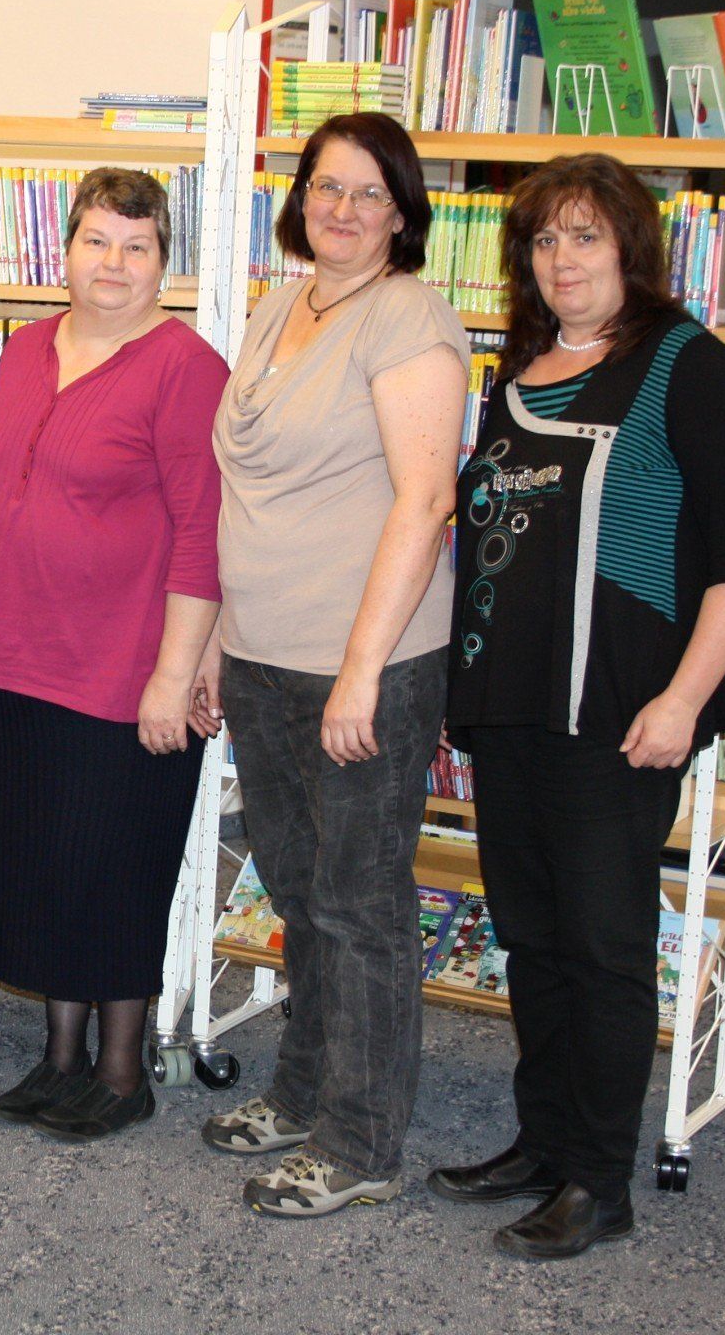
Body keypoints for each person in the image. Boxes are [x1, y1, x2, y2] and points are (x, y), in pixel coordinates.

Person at [428, 154, 725, 1260]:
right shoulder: (519, 368)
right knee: (533, 941)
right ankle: (543, 1144)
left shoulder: (684, 366)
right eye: (545, 240)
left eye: (585, 237)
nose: (562, 260)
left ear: (630, 248)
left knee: (602, 951)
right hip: (511, 712)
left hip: (619, 718)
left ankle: (599, 1183)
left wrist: (683, 700)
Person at [195, 112, 468, 1216]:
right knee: (300, 894)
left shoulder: (407, 320)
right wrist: (218, 637)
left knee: (359, 906)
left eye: (368, 194)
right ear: (299, 198)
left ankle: (360, 1145)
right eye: (326, 188)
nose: (343, 210)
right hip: (263, 656)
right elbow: (243, 493)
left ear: (401, 213)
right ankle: (305, 1090)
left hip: (365, 665)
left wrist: (361, 672)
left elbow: (426, 497)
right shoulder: (282, 304)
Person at [0, 169, 227, 1142]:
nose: (111, 263)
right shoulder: (27, 348)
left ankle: (120, 1072)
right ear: (64, 250)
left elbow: (205, 531)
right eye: (96, 241)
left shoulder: (186, 367)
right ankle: (59, 1057)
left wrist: (175, 668)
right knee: (40, 862)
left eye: (136, 245)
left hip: (128, 668)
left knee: (117, 867)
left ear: (164, 262)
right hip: (23, 656)